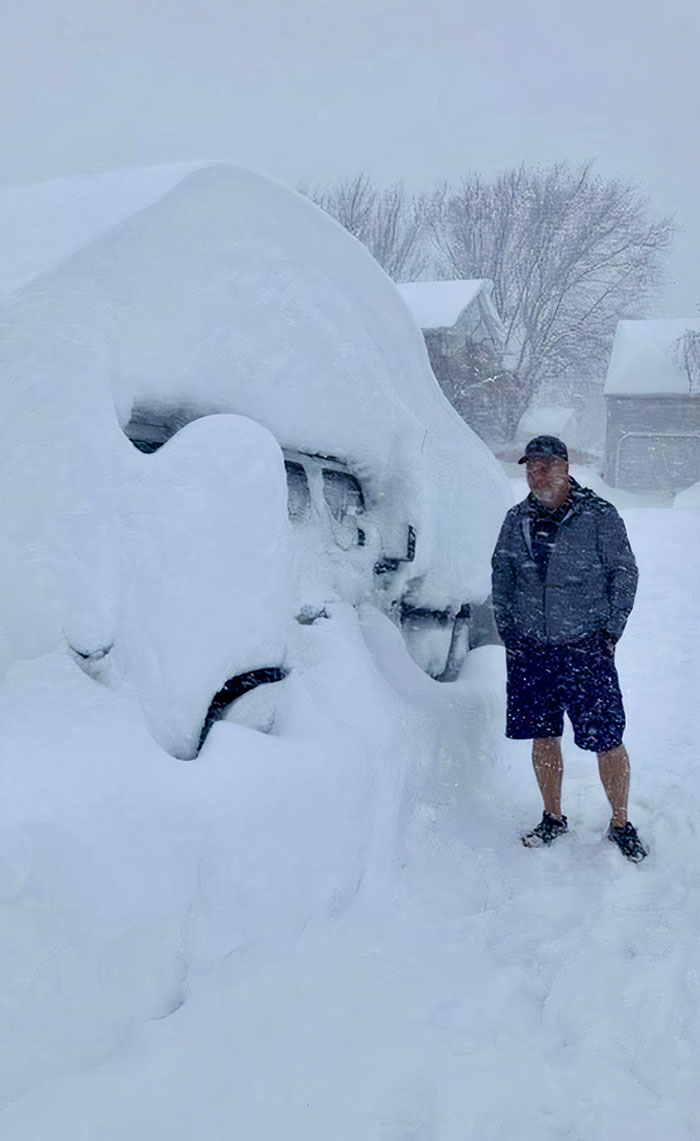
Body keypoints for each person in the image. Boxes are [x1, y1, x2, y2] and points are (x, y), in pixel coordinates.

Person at [491, 435, 648, 862]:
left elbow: (624, 573)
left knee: (607, 738)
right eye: (530, 467)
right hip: (531, 649)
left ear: (565, 467)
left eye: (544, 466)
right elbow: (502, 574)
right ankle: (553, 817)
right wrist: (510, 630)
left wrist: (609, 632)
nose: (535, 475)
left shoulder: (598, 515)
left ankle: (621, 822)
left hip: (585, 647)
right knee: (543, 735)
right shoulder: (517, 519)